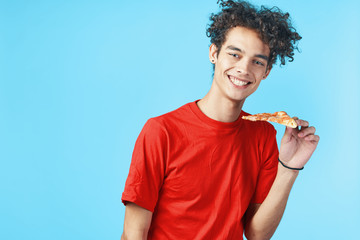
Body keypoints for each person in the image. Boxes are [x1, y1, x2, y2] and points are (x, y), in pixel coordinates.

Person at [121, 0, 319, 239]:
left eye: (257, 62)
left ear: (266, 72)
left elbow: (257, 234)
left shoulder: (264, 135)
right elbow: (133, 233)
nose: (244, 69)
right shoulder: (161, 131)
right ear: (214, 53)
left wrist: (289, 168)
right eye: (234, 54)